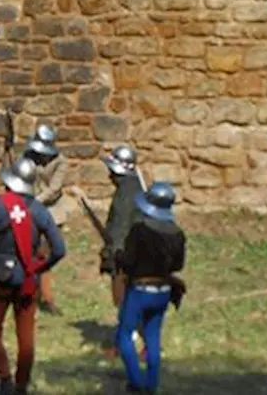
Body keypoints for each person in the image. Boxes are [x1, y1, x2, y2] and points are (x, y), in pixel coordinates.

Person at [0, 157, 68, 395]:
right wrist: (39, 268)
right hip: (27, 278)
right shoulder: (39, 210)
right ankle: (21, 385)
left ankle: (5, 378)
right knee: (26, 337)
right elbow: (59, 249)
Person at [117, 182, 186, 394]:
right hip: (163, 291)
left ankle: (137, 383)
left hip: (140, 291)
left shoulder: (140, 231)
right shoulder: (178, 234)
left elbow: (128, 261)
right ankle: (151, 385)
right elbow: (178, 265)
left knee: (125, 335)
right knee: (154, 336)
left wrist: (118, 257)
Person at [18, 125, 66, 314]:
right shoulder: (28, 156)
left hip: (51, 211)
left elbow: (54, 189)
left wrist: (35, 201)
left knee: (45, 257)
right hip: (29, 210)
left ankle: (47, 297)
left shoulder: (61, 161)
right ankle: (29, 294)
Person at [103, 145, 145, 317]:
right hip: (136, 250)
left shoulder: (126, 194)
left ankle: (129, 337)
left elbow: (120, 228)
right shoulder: (132, 185)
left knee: (123, 298)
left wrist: (113, 256)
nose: (109, 175)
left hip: (126, 254)